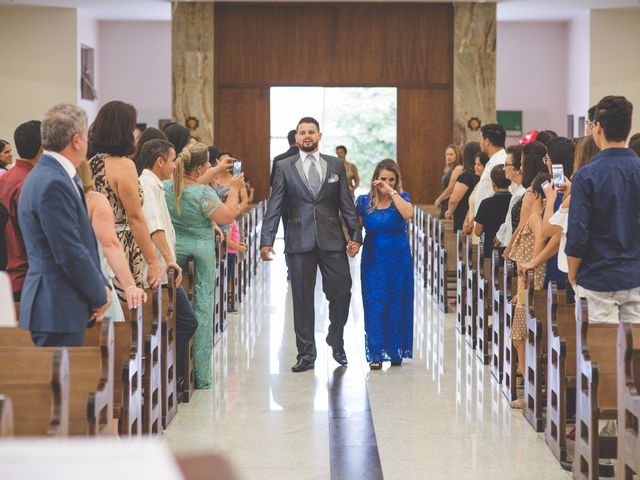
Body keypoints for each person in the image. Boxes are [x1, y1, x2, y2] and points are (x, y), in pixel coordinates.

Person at [260, 117, 362, 373]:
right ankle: (306, 353)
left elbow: (346, 204)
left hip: (332, 240)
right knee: (302, 300)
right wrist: (267, 240)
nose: (306, 136)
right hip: (298, 241)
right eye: (302, 132)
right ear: (296, 138)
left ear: (319, 135)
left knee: (342, 292)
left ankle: (335, 339)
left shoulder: (335, 164)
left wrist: (355, 236)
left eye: (311, 132)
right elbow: (275, 205)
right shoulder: (284, 166)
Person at [17, 103, 110, 346]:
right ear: (76, 140)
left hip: (60, 304)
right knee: (58, 383)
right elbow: (69, 251)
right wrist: (99, 294)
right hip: (55, 306)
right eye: (87, 136)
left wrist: (102, 283)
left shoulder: (53, 175)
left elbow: (82, 241)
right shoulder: (52, 183)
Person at [165, 142, 242, 388]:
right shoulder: (203, 194)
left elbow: (189, 185)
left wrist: (218, 169)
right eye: (208, 164)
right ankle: (200, 376)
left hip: (174, 248)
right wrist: (234, 190)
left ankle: (174, 368)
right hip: (200, 250)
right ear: (199, 168)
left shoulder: (168, 187)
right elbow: (228, 217)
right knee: (203, 307)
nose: (210, 167)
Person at [566, 95, 640, 324]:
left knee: (600, 355)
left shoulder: (587, 175)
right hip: (635, 275)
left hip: (597, 276)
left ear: (597, 127)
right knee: (635, 354)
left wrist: (572, 273)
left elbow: (578, 233)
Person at [88, 101, 163, 299]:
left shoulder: (91, 163)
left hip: (96, 242)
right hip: (121, 246)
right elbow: (135, 217)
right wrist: (153, 261)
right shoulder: (124, 166)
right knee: (128, 308)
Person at [138, 139, 198, 379]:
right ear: (160, 161)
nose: (174, 166)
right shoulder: (148, 185)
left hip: (164, 269)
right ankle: (159, 373)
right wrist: (169, 259)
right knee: (186, 322)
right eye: (172, 160)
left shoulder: (156, 184)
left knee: (181, 322)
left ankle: (166, 374)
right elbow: (155, 227)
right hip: (159, 270)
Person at [355, 159, 413, 370]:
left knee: (396, 301)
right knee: (374, 302)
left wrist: (392, 192)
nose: (386, 183)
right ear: (374, 180)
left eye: (391, 179)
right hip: (373, 259)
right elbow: (355, 229)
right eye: (382, 179)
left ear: (396, 181)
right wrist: (353, 244)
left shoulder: (401, 198)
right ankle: (376, 353)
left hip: (398, 259)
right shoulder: (364, 201)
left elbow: (408, 214)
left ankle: (396, 349)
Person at [77, 159, 147, 321]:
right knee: (105, 338)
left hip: (55, 287)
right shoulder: (94, 200)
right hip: (94, 277)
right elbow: (109, 244)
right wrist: (129, 285)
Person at [504, 172, 549, 408]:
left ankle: (532, 394)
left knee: (521, 338)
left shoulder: (536, 217)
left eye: (530, 192)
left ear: (536, 194)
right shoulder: (532, 216)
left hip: (532, 281)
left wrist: (531, 264)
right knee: (519, 337)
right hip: (527, 283)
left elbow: (541, 238)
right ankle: (531, 392)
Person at [0, 121, 43, 301]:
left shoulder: (6, 177)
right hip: (26, 276)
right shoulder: (31, 183)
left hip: (8, 273)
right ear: (43, 148)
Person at [474, 165, 511, 258]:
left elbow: (477, 231)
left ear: (493, 183)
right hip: (509, 249)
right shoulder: (515, 201)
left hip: (490, 250)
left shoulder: (486, 203)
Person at [444, 141, 480, 232]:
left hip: (462, 212)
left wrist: (450, 211)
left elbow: (454, 199)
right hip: (473, 213)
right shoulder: (480, 174)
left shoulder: (467, 175)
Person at [495, 145, 525, 247]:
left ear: (518, 168)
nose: (504, 169)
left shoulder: (522, 193)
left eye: (506, 165)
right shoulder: (514, 189)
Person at [474, 124, 507, 214]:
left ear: (487, 141)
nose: (479, 141)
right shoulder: (494, 160)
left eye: (481, 139)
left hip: (492, 215)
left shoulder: (500, 161)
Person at [462, 151, 489, 243]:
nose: (475, 167)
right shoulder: (478, 183)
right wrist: (466, 221)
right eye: (475, 164)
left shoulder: (486, 184)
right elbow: (472, 206)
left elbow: (482, 207)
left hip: (477, 226)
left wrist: (470, 224)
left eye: (479, 165)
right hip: (470, 225)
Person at [434, 144, 463, 218]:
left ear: (457, 155)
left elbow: (451, 188)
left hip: (450, 201)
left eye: (451, 154)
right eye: (447, 154)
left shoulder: (458, 168)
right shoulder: (448, 168)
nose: (448, 157)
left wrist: (439, 199)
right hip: (445, 201)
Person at [226, 219, 245, 313]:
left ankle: (226, 304)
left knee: (228, 279)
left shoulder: (232, 220)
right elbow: (228, 241)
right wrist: (239, 248)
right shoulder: (229, 221)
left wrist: (238, 244)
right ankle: (225, 305)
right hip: (229, 253)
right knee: (227, 279)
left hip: (232, 253)